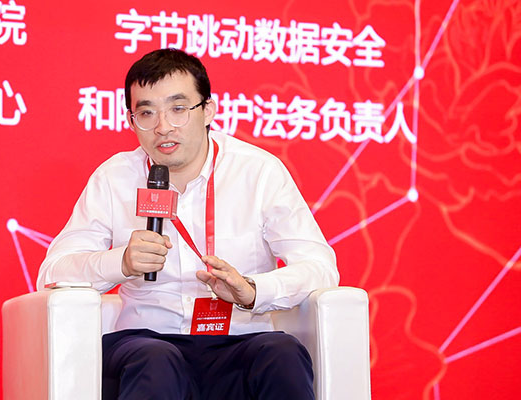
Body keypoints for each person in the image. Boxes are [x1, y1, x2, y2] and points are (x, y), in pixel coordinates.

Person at [37, 48, 339, 400]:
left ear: (208, 110)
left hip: (238, 340)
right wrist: (121, 263)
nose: (163, 127)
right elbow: (53, 272)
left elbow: (320, 266)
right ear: (131, 121)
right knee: (155, 361)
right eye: (146, 113)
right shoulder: (114, 178)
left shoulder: (258, 172)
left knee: (281, 354)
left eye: (178, 109)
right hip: (146, 342)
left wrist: (254, 291)